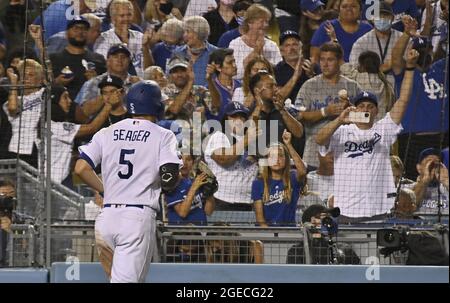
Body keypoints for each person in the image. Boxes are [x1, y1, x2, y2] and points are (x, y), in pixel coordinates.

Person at [75, 80, 182, 283]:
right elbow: (168, 180)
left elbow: (81, 168)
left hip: (106, 219)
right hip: (135, 219)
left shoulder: (107, 131)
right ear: (156, 105)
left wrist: (106, 190)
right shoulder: (163, 134)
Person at [315, 47, 419, 222]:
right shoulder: (342, 131)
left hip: (377, 208)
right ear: (355, 109)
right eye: (361, 106)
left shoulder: (383, 129)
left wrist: (409, 68)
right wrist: (340, 119)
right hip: (346, 208)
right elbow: (319, 139)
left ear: (376, 111)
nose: (366, 109)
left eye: (370, 106)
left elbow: (403, 100)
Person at [295, 42, 360, 168]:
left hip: (344, 155)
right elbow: (298, 115)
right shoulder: (309, 85)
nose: (325, 64)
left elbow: (366, 118)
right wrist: (325, 112)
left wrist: (349, 111)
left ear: (340, 61)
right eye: (322, 60)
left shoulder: (352, 86)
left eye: (330, 60)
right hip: (314, 156)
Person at [204, 101, 259, 211]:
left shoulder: (252, 139)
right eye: (233, 116)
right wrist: (247, 140)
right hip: (222, 201)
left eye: (242, 117)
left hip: (248, 202)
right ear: (226, 119)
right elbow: (224, 159)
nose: (238, 121)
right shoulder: (219, 136)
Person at [252, 130, 307, 226]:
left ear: (286, 160)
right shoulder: (258, 183)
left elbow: (302, 171)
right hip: (266, 234)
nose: (277, 160)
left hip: (289, 233)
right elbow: (260, 220)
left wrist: (289, 145)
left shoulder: (293, 178)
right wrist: (270, 238)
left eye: (280, 156)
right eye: (272, 156)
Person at [286, 204, 360, 264]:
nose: (326, 222)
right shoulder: (296, 252)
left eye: (327, 218)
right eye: (320, 218)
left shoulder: (345, 250)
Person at [229, 3, 282, 80]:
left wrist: (264, 62)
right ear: (250, 22)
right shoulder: (236, 44)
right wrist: (256, 51)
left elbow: (279, 72)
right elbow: (235, 75)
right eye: (262, 21)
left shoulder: (272, 45)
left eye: (267, 21)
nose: (266, 25)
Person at [349, 1, 402, 76]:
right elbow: (353, 69)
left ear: (393, 18)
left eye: (386, 15)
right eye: (378, 16)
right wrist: (381, 69)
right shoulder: (361, 43)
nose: (382, 19)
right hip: (368, 82)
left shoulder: (402, 38)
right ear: (372, 19)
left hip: (396, 81)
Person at [165, 154, 216, 225]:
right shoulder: (170, 184)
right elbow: (182, 213)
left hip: (201, 232)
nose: (184, 163)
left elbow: (208, 211)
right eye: (180, 159)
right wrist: (194, 187)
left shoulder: (198, 181)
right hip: (181, 232)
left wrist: (210, 193)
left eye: (188, 159)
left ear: (193, 162)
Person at [410, 148, 449, 216]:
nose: (432, 167)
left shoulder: (446, 187)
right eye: (428, 162)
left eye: (436, 164)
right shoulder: (408, 187)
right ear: (419, 167)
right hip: (418, 225)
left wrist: (446, 180)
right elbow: (409, 206)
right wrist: (424, 181)